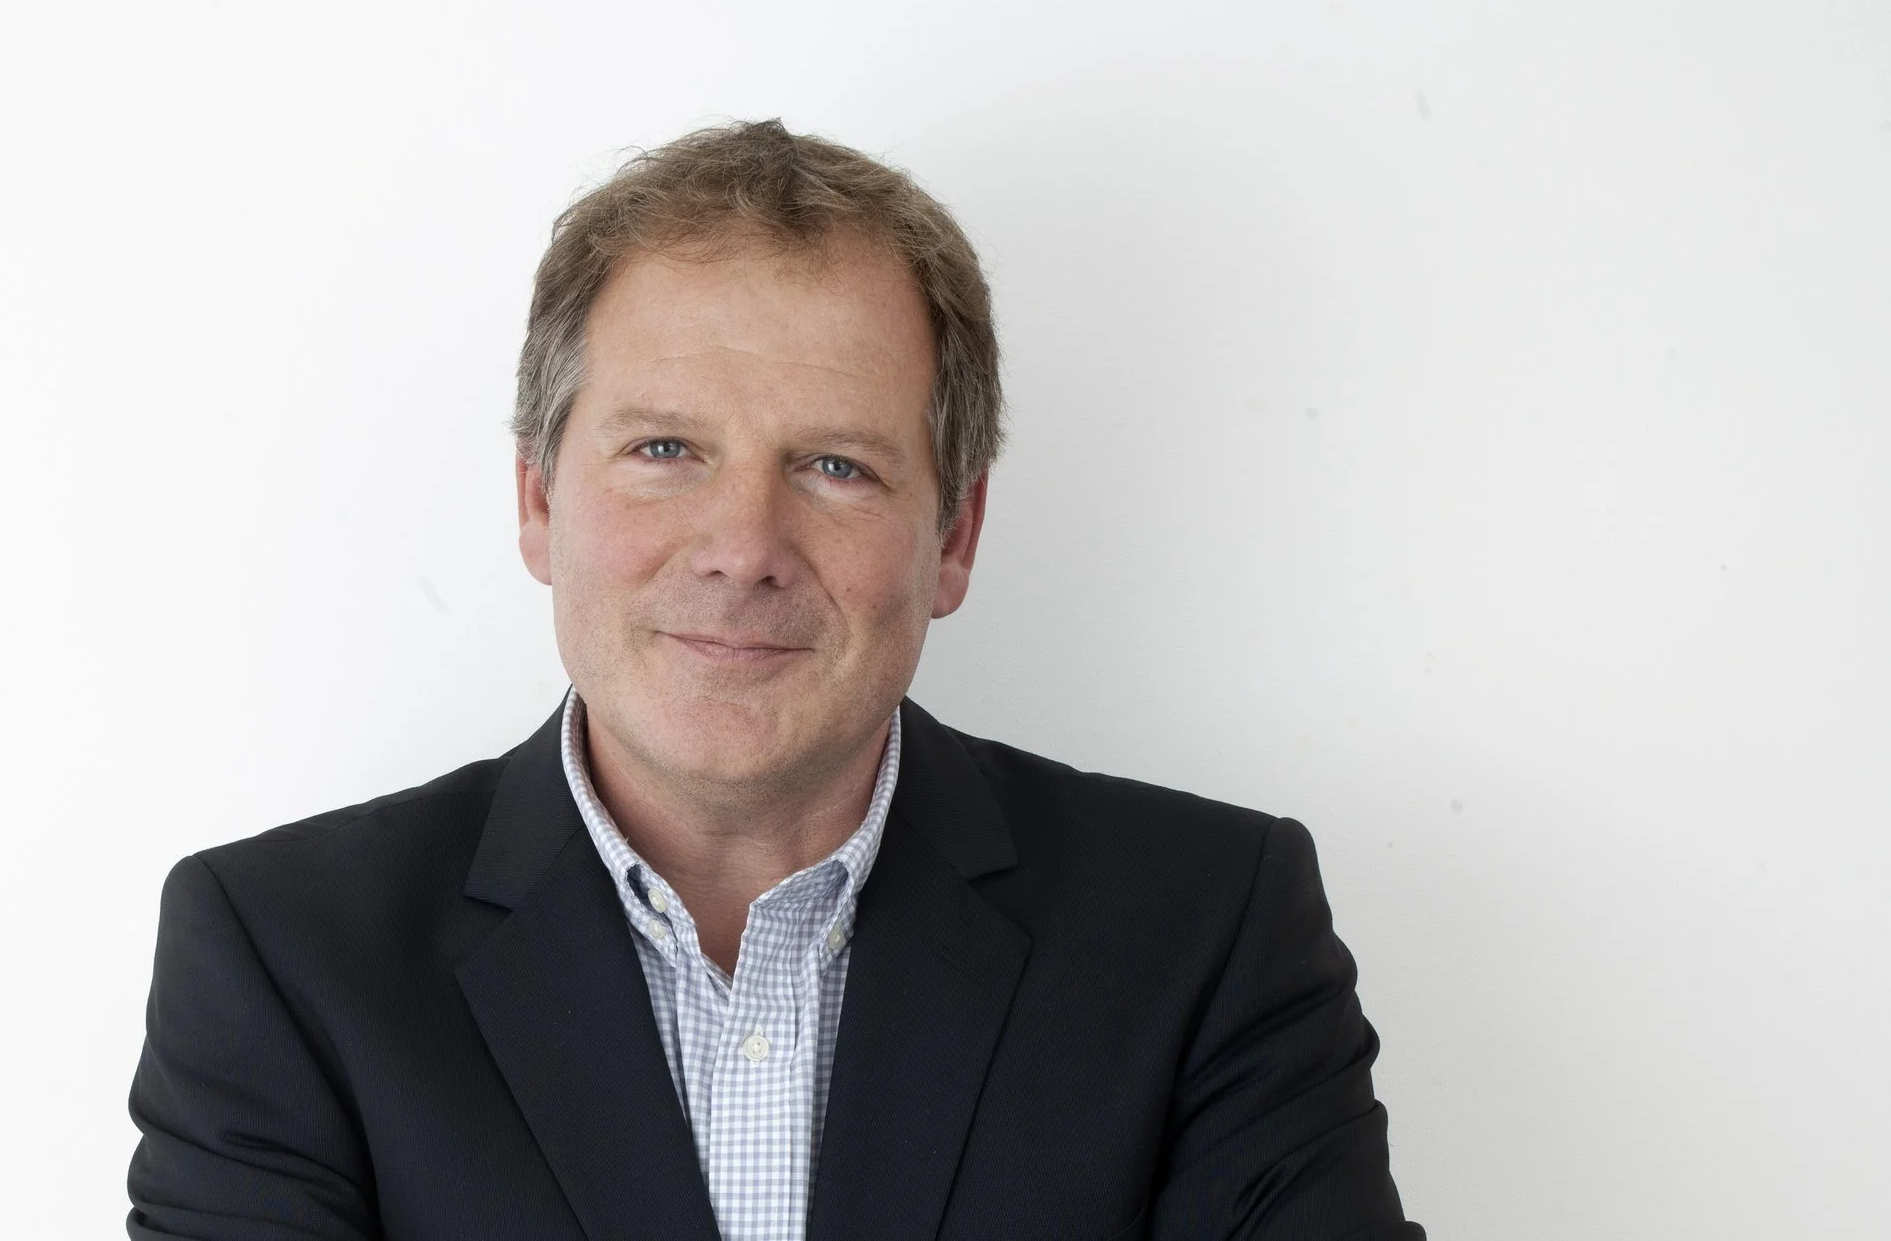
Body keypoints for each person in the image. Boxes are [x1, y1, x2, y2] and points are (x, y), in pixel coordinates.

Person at [125, 120, 1422, 1241]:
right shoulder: (284, 959)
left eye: (836, 466)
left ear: (954, 536)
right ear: (539, 500)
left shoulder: (1209, 933)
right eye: (665, 449)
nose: (743, 547)